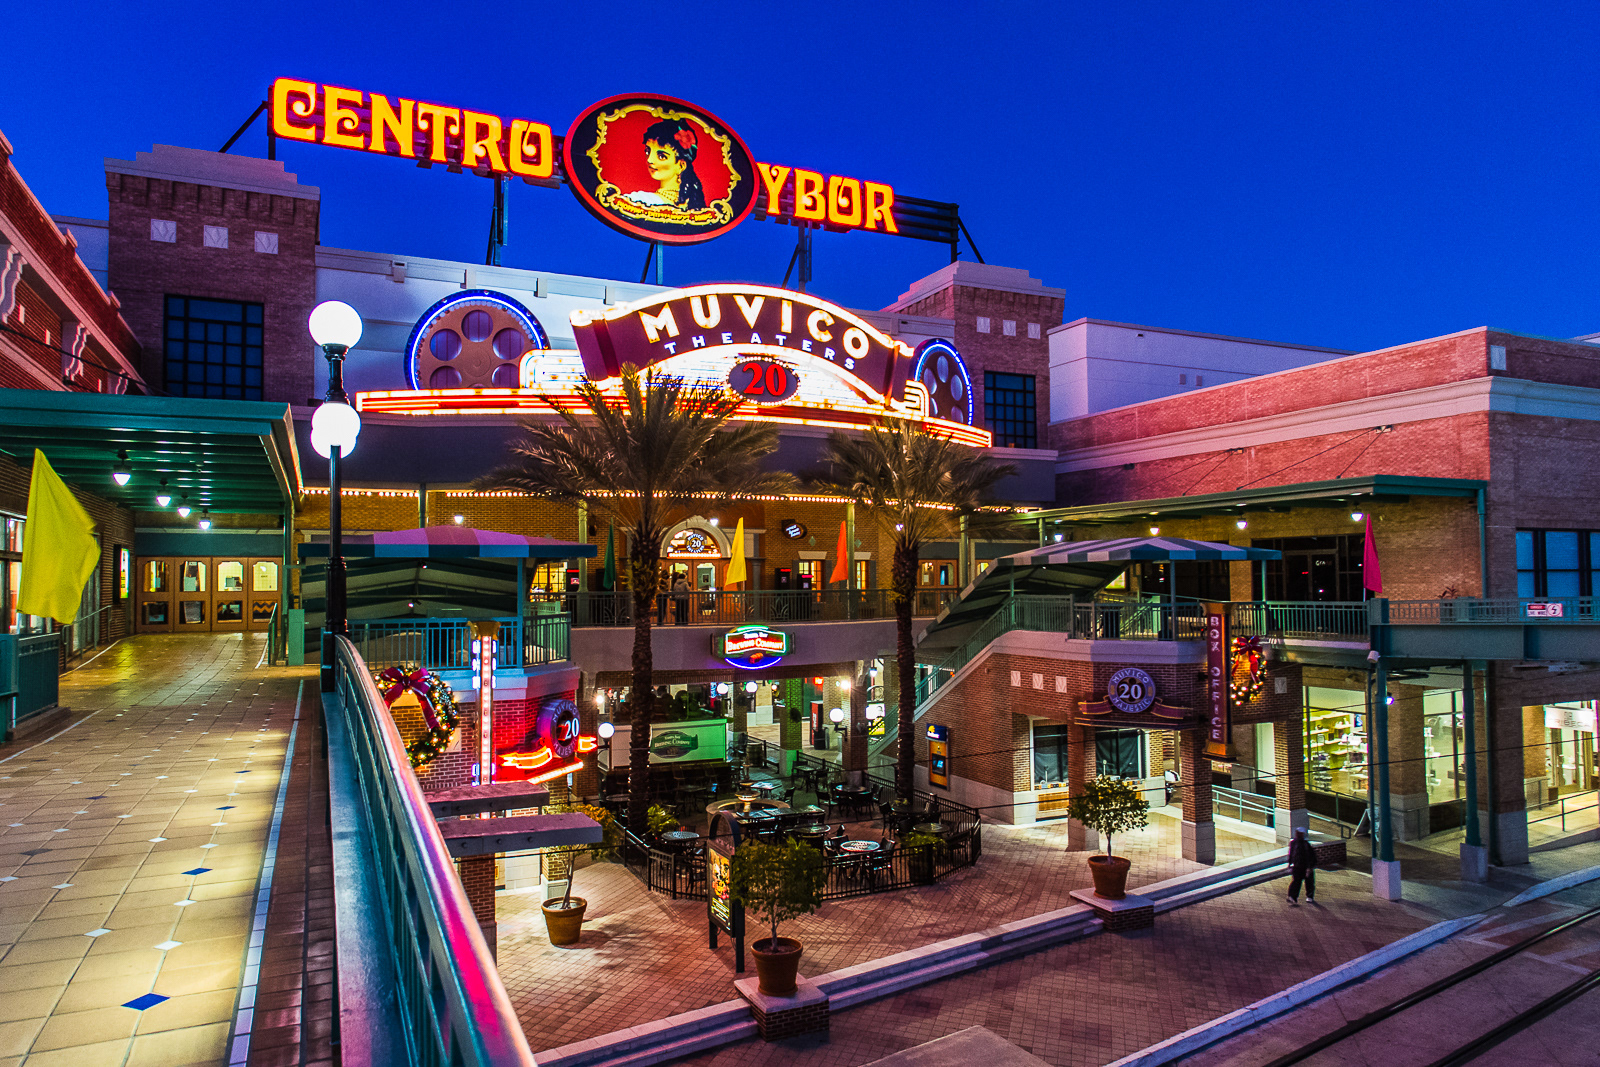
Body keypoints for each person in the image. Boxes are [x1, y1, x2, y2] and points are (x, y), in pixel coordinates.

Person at [624, 118, 708, 212]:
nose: (650, 160)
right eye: (648, 152)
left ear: (681, 166)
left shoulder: (642, 202)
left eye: (661, 156)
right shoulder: (637, 200)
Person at [1287, 826, 1317, 905]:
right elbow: (1291, 854)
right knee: (1297, 882)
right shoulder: (1294, 843)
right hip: (1297, 866)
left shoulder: (1305, 844)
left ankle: (1309, 896)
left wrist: (1309, 867)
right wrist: (1290, 863)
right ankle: (1293, 896)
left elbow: (1310, 856)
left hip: (1304, 866)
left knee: (1308, 882)